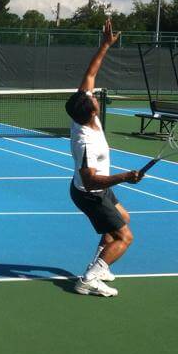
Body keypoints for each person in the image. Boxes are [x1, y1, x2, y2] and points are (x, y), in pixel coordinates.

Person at [65, 17, 141, 298]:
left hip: (98, 189)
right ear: (91, 111)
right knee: (125, 237)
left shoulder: (82, 112)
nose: (96, 96)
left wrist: (105, 45)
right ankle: (89, 279)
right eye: (94, 99)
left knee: (122, 218)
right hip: (90, 192)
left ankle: (101, 263)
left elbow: (90, 74)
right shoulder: (84, 139)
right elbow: (92, 180)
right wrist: (126, 177)